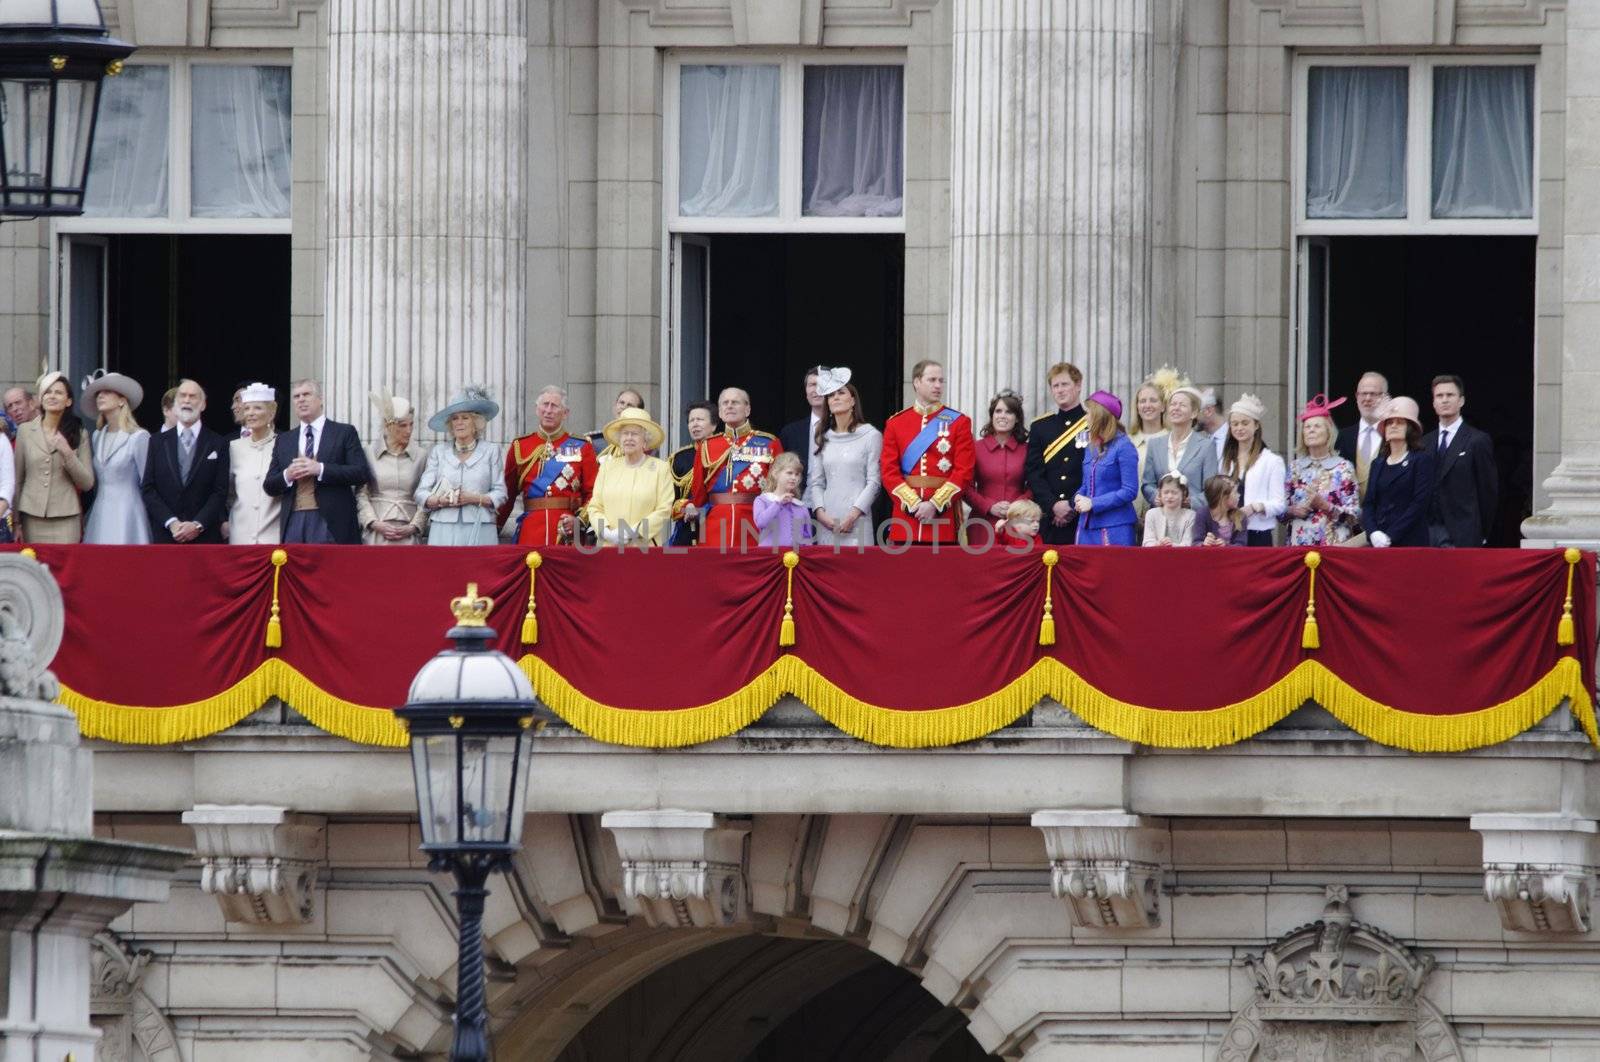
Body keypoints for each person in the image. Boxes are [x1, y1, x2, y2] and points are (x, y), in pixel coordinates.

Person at [264, 379, 371, 544]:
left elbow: (360, 473)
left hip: (331, 520)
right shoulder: (284, 439)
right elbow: (269, 485)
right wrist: (288, 475)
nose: (301, 399)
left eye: (306, 394)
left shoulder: (344, 432)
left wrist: (320, 469)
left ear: (320, 399)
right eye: (296, 396)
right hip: (293, 519)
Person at [881, 360, 975, 546]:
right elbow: (888, 471)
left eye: (941, 380)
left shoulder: (959, 422)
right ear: (916, 382)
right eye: (932, 380)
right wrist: (913, 504)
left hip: (943, 518)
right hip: (906, 517)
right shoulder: (896, 423)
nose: (938, 385)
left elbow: (964, 471)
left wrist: (934, 504)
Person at [500, 385, 597, 546]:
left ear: (565, 413)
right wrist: (493, 528)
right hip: (531, 532)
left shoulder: (583, 446)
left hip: (567, 532)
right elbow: (507, 495)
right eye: (545, 404)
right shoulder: (521, 446)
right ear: (537, 409)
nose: (549, 410)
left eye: (555, 406)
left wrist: (579, 521)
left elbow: (594, 493)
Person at [689, 387, 782, 548]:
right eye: (725, 403)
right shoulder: (707, 446)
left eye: (735, 402)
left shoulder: (770, 443)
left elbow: (778, 489)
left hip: (755, 522)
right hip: (715, 525)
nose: (729, 406)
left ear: (747, 409)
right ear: (719, 412)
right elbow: (698, 493)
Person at [141, 378, 229, 544]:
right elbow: (148, 488)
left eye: (193, 396)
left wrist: (197, 525)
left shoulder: (218, 443)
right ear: (175, 404)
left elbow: (220, 491)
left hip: (205, 538)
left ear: (203, 405)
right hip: (166, 535)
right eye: (182, 396)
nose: (187, 400)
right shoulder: (157, 442)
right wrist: (171, 522)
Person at [416, 387, 506, 546]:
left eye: (465, 418)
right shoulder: (438, 452)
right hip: (443, 528)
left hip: (480, 527)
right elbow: (421, 493)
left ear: (476, 422)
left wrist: (474, 498)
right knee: (444, 571)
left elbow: (501, 493)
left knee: (478, 570)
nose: (459, 423)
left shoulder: (491, 451)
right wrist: (439, 501)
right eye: (455, 418)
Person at [804, 368, 882, 549]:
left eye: (841, 393)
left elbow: (874, 482)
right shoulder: (823, 437)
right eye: (831, 395)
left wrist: (853, 515)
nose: (836, 398)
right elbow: (817, 482)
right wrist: (820, 513)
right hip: (827, 521)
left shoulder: (870, 435)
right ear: (828, 404)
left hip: (857, 519)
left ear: (853, 400)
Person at [14, 371, 94, 544]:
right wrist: (16, 521)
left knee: (66, 569)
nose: (52, 396)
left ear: (68, 401)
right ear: (41, 399)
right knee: (34, 567)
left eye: (58, 392)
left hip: (66, 517)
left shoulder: (80, 434)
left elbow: (87, 483)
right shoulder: (25, 431)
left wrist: (67, 452)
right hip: (31, 516)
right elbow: (18, 479)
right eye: (48, 392)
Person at [1422, 374, 1497, 548]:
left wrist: (1482, 532)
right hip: (1428, 531)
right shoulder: (1425, 442)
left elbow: (1488, 491)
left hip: (1464, 532)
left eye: (1450, 395)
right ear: (1433, 403)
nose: (1445, 400)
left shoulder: (1477, 440)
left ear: (1461, 401)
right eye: (1439, 396)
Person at [80, 370, 151, 545]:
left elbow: (147, 482)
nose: (100, 396)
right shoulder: (97, 436)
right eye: (98, 393)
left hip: (129, 512)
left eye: (107, 392)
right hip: (101, 511)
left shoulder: (138, 436)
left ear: (122, 400)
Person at [586, 407, 675, 546]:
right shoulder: (607, 467)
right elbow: (595, 506)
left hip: (643, 548)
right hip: (609, 547)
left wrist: (634, 532)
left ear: (645, 440)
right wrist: (606, 532)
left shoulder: (660, 468)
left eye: (634, 434)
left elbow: (664, 509)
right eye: (625, 433)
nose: (629, 438)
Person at [1024, 362, 1089, 545]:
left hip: (1082, 515)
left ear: (1078, 386)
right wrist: (1053, 505)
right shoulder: (1040, 426)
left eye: (1065, 384)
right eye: (1055, 386)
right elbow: (1033, 472)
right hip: (1049, 518)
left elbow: (1094, 472)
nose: (1060, 390)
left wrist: (1071, 506)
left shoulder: (1092, 423)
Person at [1285, 394, 1361, 547]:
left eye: (1317, 426)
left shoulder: (1343, 468)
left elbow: (1355, 515)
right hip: (1299, 546)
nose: (1311, 430)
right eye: (1307, 427)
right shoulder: (1294, 468)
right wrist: (1292, 510)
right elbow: (1280, 511)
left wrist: (1326, 506)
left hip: (1334, 546)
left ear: (1329, 433)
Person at [1360, 396, 1435, 548]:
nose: (1393, 426)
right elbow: (1368, 503)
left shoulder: (1421, 460)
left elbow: (1419, 503)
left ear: (1410, 429)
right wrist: (1373, 533)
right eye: (1389, 423)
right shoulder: (1378, 463)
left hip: (1410, 542)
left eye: (1400, 422)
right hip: (1378, 542)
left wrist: (1391, 536)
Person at [355, 390, 428, 546]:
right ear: (388, 426)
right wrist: (373, 522)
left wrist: (414, 526)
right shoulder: (368, 453)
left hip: (409, 534)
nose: (409, 430)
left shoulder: (422, 455)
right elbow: (361, 493)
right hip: (376, 534)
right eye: (402, 425)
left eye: (411, 424)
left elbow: (426, 495)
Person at [1073, 391, 1139, 546]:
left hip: (1115, 527)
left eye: (1089, 413)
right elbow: (1086, 484)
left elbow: (1129, 490)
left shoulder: (1124, 446)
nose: (1085, 417)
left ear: (1100, 416)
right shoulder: (1091, 445)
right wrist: (1078, 496)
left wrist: (1094, 503)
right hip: (1086, 527)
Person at [1220, 394, 1286, 546]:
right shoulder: (1226, 460)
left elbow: (1279, 504)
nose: (1239, 428)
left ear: (1256, 425)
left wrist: (1255, 507)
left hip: (1257, 533)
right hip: (1229, 532)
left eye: (1245, 423)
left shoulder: (1271, 461)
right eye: (1234, 424)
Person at [1142, 384, 1217, 514]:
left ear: (1193, 413)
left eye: (1182, 405)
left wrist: (1190, 502)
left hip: (1192, 519)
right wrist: (1156, 496)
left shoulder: (1206, 446)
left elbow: (1212, 489)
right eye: (1173, 404)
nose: (1176, 408)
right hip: (1160, 517)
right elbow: (1147, 484)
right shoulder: (1155, 444)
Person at [228, 383, 283, 545]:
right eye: (247, 409)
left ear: (271, 412)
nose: (251, 413)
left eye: (257, 408)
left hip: (274, 536)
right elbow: (227, 493)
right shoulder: (233, 447)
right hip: (239, 536)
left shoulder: (284, 444)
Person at [968, 391, 1029, 524]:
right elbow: (966, 487)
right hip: (982, 522)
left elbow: (1034, 485)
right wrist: (989, 506)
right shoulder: (976, 448)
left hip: (1018, 521)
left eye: (1009, 412)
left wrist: (1017, 506)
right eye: (998, 411)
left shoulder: (1027, 449)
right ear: (992, 415)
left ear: (1017, 418)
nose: (1002, 416)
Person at [1129, 368, 1180, 525]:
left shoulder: (1173, 440)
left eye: (1153, 400)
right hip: (1130, 517)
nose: (1147, 405)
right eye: (1142, 401)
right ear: (1137, 407)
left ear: (1163, 406)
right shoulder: (1127, 441)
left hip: (1164, 519)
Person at [1334, 371, 1389, 500]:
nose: (1367, 398)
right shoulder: (1343, 436)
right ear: (1357, 397)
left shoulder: (1393, 435)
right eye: (1363, 393)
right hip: (1350, 516)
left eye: (1373, 394)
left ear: (1385, 397)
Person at [669, 400, 716, 546]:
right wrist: (685, 506)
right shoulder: (679, 458)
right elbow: (669, 500)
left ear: (714, 425)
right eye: (691, 420)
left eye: (700, 420)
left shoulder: (724, 454)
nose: (695, 424)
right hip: (686, 530)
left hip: (716, 525)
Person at [778, 366, 825, 488]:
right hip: (798, 501)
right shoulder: (790, 433)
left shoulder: (843, 429)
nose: (817, 389)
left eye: (822, 384)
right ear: (806, 392)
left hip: (834, 502)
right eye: (812, 384)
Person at [754, 452, 811, 548]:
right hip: (769, 557)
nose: (794, 478)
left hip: (795, 559)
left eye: (797, 474)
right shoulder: (763, 500)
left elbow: (807, 539)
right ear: (775, 474)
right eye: (789, 473)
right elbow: (761, 522)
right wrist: (778, 504)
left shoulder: (801, 507)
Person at [588, 388, 647, 462]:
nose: (623, 407)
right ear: (615, 407)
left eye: (629, 405)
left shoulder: (645, 443)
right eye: (621, 403)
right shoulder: (595, 441)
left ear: (639, 412)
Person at [1142, 472, 1196, 547]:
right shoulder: (1151, 514)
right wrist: (1158, 544)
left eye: (1174, 493)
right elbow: (1147, 542)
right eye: (1166, 492)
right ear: (1160, 493)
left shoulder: (1190, 516)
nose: (1170, 496)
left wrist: (1172, 545)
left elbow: (1188, 543)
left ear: (1183, 494)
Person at [1193, 475, 1244, 546]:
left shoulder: (1240, 516)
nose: (1239, 495)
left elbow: (1241, 545)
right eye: (1235, 492)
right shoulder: (1202, 514)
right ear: (1223, 497)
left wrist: (1226, 545)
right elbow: (1196, 542)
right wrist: (1204, 543)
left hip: (1232, 557)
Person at [1198, 388, 1228, 463]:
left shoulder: (1233, 439)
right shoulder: (1208, 439)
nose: (1191, 417)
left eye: (1195, 412)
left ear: (1208, 411)